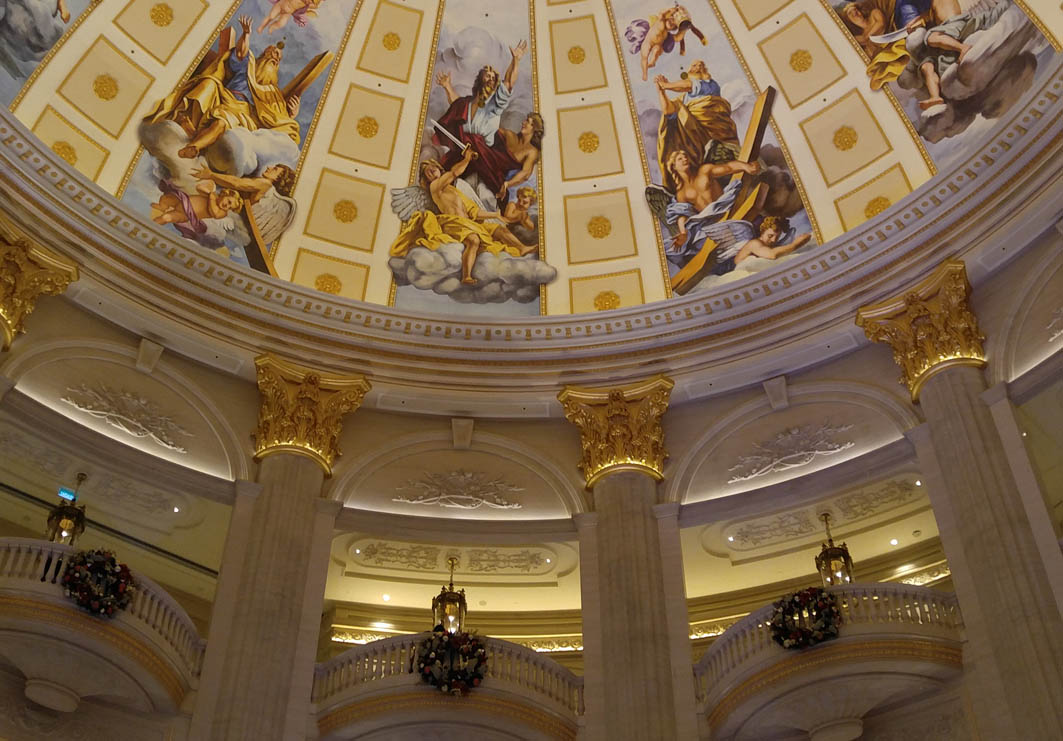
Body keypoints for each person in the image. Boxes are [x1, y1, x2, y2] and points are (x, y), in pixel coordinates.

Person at [143, 15, 301, 159]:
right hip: (224, 97)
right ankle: (193, 123)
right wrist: (245, 34)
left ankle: (193, 146)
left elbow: (278, 120)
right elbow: (240, 52)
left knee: (222, 122)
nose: (274, 57)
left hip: (243, 114)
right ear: (261, 56)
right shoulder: (249, 65)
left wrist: (291, 115)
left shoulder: (274, 94)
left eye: (277, 59)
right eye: (271, 53)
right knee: (208, 83)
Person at [390, 152, 537, 285]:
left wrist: (495, 215)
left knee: (497, 229)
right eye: (428, 172)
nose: (432, 172)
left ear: (439, 168)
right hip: (452, 223)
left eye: (433, 168)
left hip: (468, 223)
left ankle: (522, 248)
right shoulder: (435, 187)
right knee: (473, 240)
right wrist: (466, 158)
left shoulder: (455, 190)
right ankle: (466, 276)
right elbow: (454, 173)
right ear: (426, 178)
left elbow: (474, 212)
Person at [654, 63, 740, 193]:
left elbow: (689, 85)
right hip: (694, 138)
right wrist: (661, 92)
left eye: (697, 65)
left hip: (715, 131)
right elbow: (668, 110)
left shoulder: (710, 85)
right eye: (692, 65)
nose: (693, 67)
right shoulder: (683, 100)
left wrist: (666, 85)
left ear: (703, 71)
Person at [626, 5, 708, 81]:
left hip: (658, 44)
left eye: (673, 24)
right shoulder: (660, 21)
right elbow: (662, 13)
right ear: (667, 18)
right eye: (671, 20)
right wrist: (672, 10)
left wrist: (684, 29)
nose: (672, 23)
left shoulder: (667, 32)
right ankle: (644, 73)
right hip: (648, 42)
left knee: (656, 50)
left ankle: (652, 62)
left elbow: (678, 37)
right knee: (645, 56)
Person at [150, 182, 243, 239]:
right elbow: (199, 188)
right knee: (166, 198)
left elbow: (214, 213)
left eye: (230, 208)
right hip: (182, 201)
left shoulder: (222, 212)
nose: (227, 206)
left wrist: (211, 198)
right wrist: (209, 191)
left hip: (186, 213)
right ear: (225, 194)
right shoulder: (214, 195)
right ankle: (162, 206)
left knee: (166, 218)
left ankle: (150, 227)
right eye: (229, 201)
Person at [191, 163, 297, 203]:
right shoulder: (264, 185)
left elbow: (236, 183)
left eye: (275, 169)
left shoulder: (266, 184)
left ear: (278, 179)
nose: (269, 167)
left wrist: (211, 175)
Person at [258, 0, 325, 34]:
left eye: (311, 1)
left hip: (287, 13)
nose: (309, 1)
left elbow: (316, 6)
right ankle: (261, 27)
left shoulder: (306, 5)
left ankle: (272, 27)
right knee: (271, 16)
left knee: (281, 23)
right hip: (281, 5)